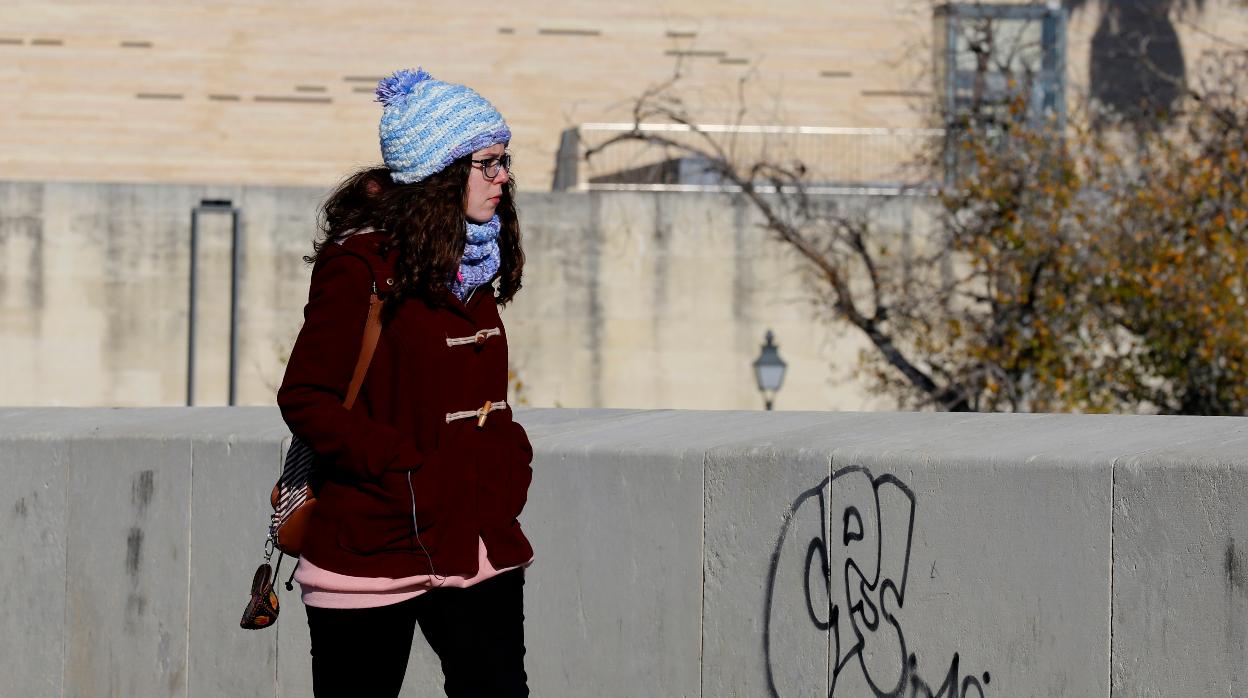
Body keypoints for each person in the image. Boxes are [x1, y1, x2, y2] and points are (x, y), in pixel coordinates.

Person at [277, 67, 534, 698]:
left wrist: (509, 459)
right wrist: (397, 465)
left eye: (504, 161)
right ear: (442, 173)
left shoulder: (476, 266)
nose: (503, 177)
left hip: (476, 544)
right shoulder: (359, 269)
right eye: (488, 163)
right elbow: (305, 397)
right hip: (374, 545)